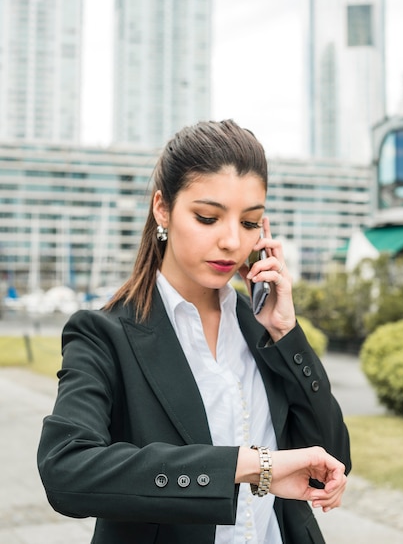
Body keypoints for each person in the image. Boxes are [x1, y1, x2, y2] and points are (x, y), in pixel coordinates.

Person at [38, 119, 351, 544]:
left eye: (249, 222)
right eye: (208, 217)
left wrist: (285, 332)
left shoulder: (260, 325)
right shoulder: (104, 333)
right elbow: (66, 470)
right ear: (162, 209)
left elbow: (331, 456)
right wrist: (250, 467)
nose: (231, 241)